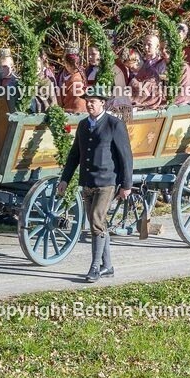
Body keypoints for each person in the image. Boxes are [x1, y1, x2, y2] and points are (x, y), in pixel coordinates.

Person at [57, 86, 133, 283]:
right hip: (87, 181)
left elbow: (126, 156)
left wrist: (126, 185)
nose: (89, 103)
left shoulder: (114, 124)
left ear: (103, 103)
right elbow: (75, 155)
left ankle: (94, 267)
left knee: (96, 220)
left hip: (107, 182)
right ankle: (107, 266)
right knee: (96, 223)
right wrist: (65, 178)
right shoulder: (83, 125)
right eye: (87, 100)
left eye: (94, 100)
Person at [133, 33, 169, 110]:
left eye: (149, 45)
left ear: (157, 47)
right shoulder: (141, 62)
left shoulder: (162, 63)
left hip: (155, 96)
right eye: (144, 44)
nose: (146, 47)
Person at [55, 46, 87, 113]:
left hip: (73, 111)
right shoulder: (80, 74)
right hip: (83, 110)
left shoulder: (75, 79)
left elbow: (63, 98)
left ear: (67, 64)